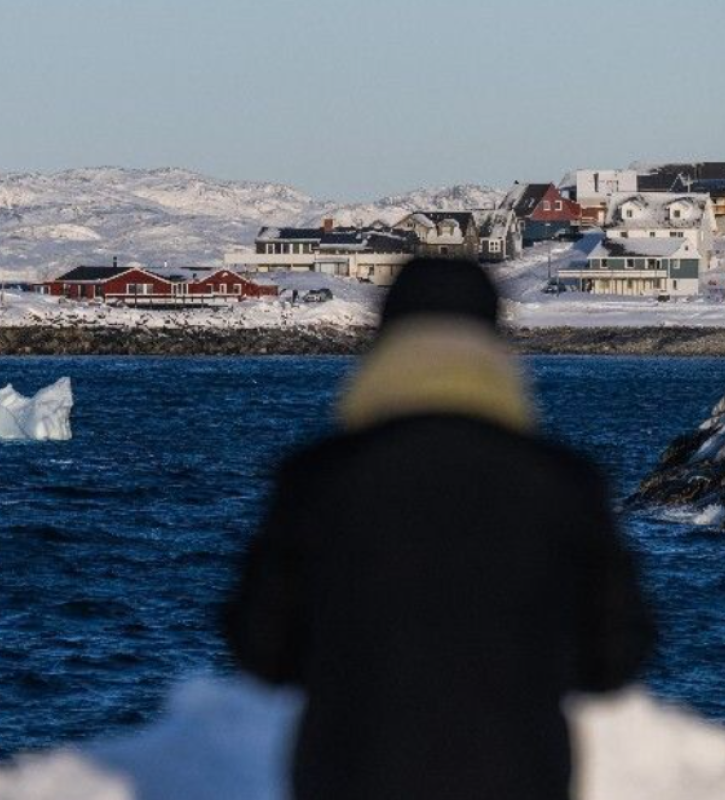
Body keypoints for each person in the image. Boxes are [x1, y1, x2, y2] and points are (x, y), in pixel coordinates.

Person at [222, 257, 654, 800]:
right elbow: (615, 655)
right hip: (517, 774)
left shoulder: (317, 477)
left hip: (353, 773)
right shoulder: (564, 481)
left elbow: (261, 645)